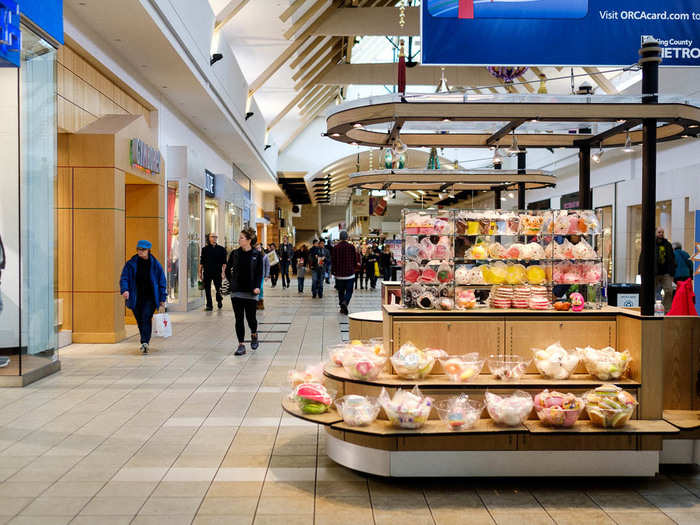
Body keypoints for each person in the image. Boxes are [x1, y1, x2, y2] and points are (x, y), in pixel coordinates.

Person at [120, 240, 167, 354]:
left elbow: (162, 282)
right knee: (140, 319)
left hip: (150, 297)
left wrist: (162, 298)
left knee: (146, 317)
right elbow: (124, 277)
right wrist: (125, 290)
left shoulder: (155, 264)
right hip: (136, 297)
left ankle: (145, 341)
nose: (140, 252)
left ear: (148, 250)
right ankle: (144, 340)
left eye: (143, 250)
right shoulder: (131, 263)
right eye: (139, 249)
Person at [225, 228, 263, 356]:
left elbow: (259, 274)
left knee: (251, 318)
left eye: (241, 238)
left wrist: (257, 287)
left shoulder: (257, 255)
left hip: (251, 292)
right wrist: (232, 282)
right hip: (236, 292)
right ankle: (241, 344)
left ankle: (254, 333)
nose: (239, 240)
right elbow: (227, 269)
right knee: (239, 318)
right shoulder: (235, 253)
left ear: (249, 240)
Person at [638, 227, 676, 312]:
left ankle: (666, 309)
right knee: (651, 291)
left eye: (662, 232)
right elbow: (642, 257)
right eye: (659, 232)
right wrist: (641, 271)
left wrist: (672, 272)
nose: (661, 234)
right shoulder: (650, 244)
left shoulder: (668, 244)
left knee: (669, 290)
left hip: (666, 273)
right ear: (655, 233)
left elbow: (672, 258)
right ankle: (651, 308)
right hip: (653, 272)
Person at [332, 230, 361, 314]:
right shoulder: (351, 247)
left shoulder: (335, 247)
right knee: (349, 291)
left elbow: (333, 260)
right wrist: (355, 267)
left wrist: (333, 271)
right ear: (347, 237)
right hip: (350, 274)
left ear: (340, 237)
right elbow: (355, 259)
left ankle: (342, 305)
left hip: (339, 274)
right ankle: (345, 302)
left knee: (340, 291)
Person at [199, 232, 227, 311]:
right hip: (207, 272)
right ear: (209, 238)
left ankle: (219, 300)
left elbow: (224, 263)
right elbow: (202, 262)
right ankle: (209, 305)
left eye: (215, 237)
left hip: (217, 272)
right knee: (207, 289)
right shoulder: (204, 249)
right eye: (212, 237)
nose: (214, 238)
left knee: (218, 288)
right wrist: (200, 272)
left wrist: (223, 272)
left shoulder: (221, 249)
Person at [256, 242, 270, 310]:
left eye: (259, 248)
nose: (258, 249)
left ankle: (260, 301)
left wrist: (267, 275)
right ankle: (255, 302)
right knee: (255, 288)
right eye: (256, 248)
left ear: (261, 248)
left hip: (261, 275)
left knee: (260, 288)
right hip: (254, 275)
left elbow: (267, 266)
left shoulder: (265, 256)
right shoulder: (253, 255)